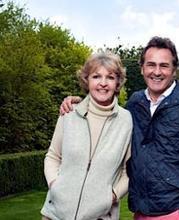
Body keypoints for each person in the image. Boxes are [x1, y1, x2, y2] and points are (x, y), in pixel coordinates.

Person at [61, 36, 179, 220]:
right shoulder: (135, 103)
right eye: (151, 65)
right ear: (142, 68)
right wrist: (80, 105)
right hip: (141, 211)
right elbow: (108, 118)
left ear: (174, 70)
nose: (157, 72)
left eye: (164, 65)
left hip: (175, 211)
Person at [41, 52, 132, 220]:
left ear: (117, 83)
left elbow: (129, 171)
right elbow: (53, 156)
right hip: (55, 215)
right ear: (86, 80)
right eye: (96, 76)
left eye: (110, 78)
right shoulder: (69, 113)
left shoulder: (127, 120)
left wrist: (111, 197)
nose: (103, 83)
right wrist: (55, 185)